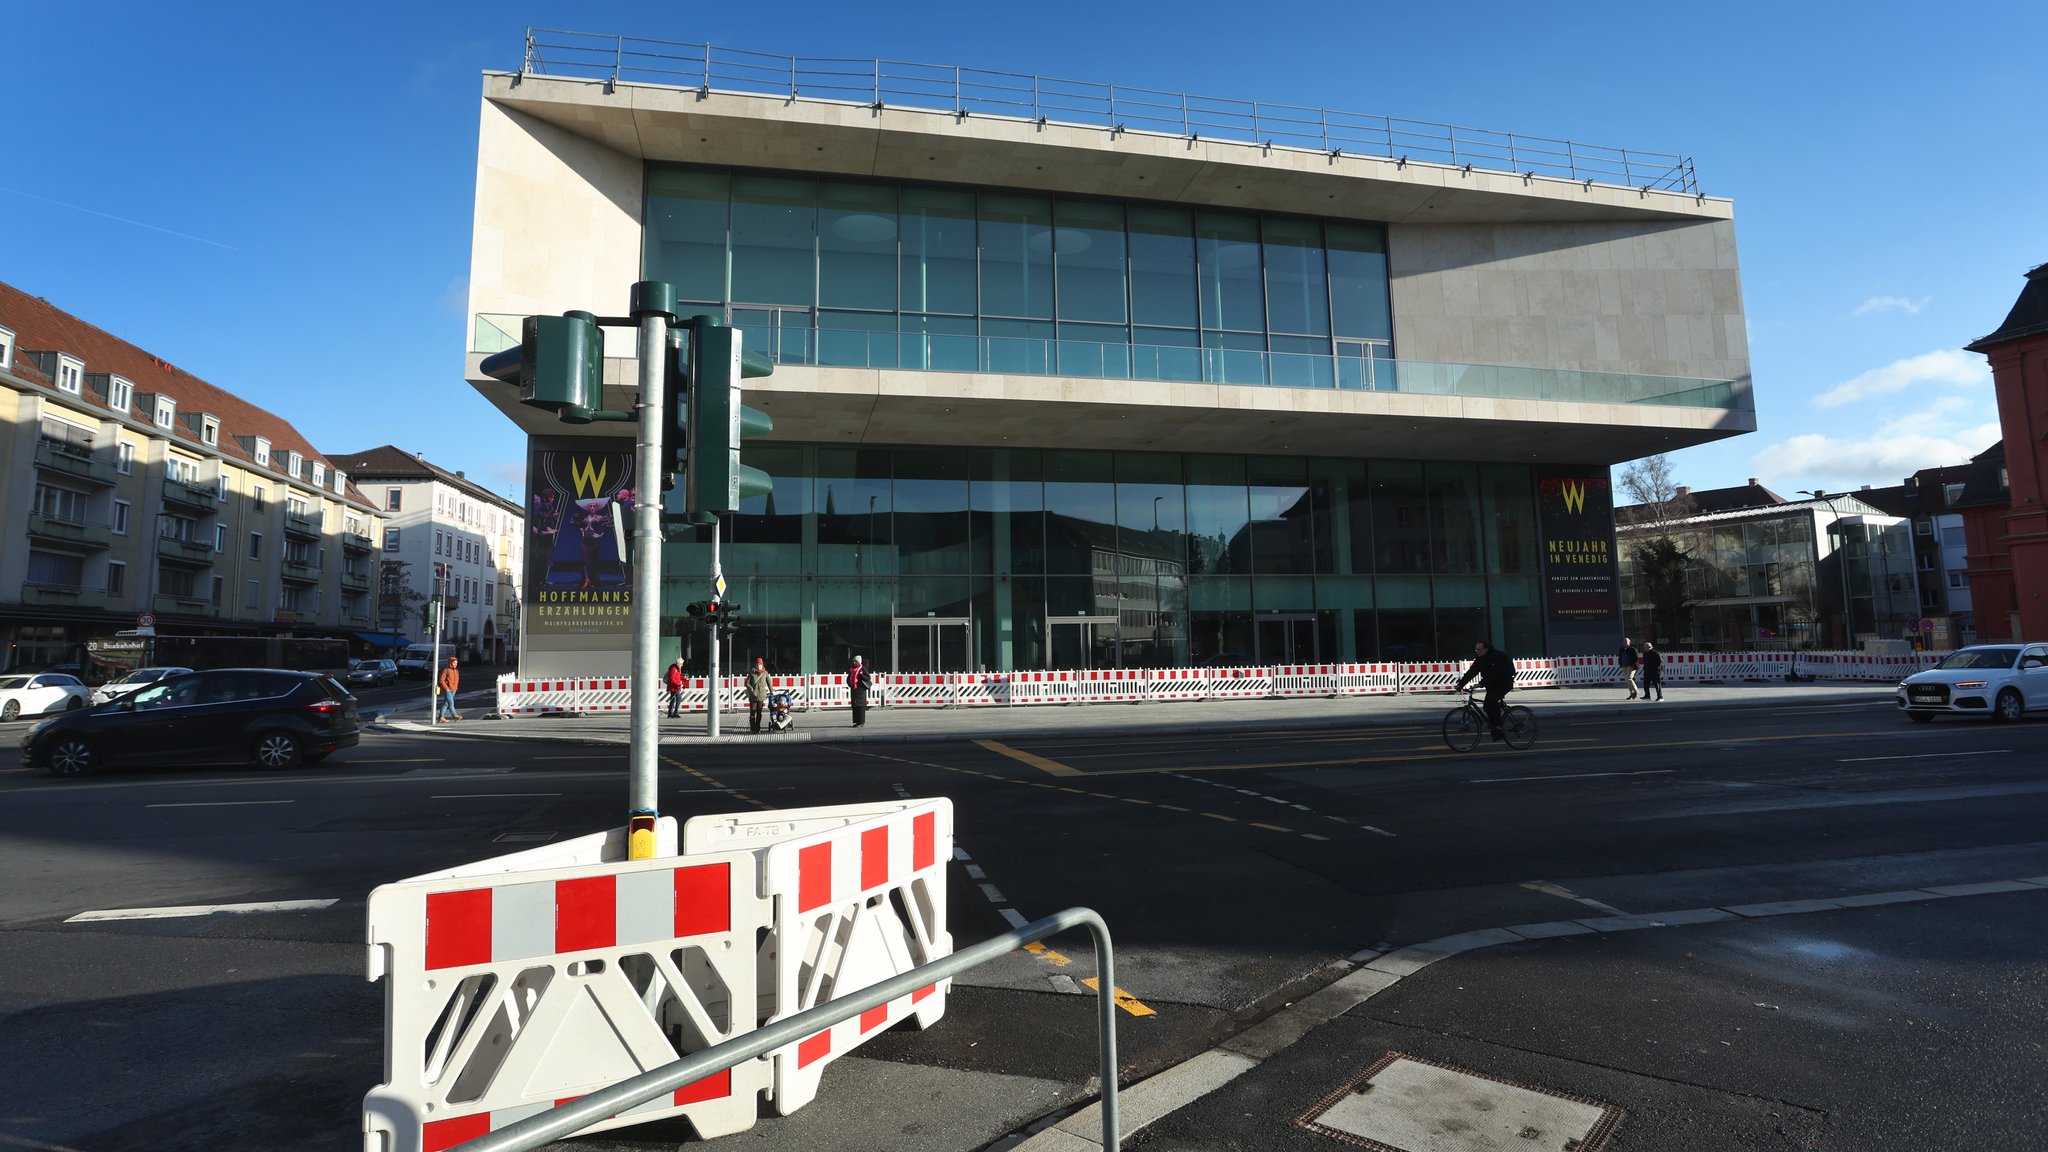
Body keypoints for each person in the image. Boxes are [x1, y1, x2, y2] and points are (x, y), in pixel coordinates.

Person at [1453, 639, 1516, 741]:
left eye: (1479, 649)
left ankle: (1499, 726)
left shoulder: (1496, 657)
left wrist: (1481, 683)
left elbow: (1495, 674)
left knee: (1490, 703)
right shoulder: (1480, 658)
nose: (1477, 651)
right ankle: (1495, 727)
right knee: (1488, 706)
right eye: (1476, 649)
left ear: (1486, 649)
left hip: (1504, 683)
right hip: (1492, 685)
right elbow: (1472, 672)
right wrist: (1460, 684)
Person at [746, 658, 770, 734]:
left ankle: (758, 728)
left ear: (762, 664)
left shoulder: (765, 673)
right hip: (753, 695)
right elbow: (747, 683)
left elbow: (769, 683)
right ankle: (752, 728)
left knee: (759, 712)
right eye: (758, 664)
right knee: (753, 712)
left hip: (761, 695)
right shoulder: (752, 672)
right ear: (755, 665)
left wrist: (772, 691)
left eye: (760, 664)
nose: (759, 666)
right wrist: (751, 688)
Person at [848, 655, 871, 727]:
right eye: (854, 661)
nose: (854, 663)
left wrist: (861, 675)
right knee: (855, 706)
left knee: (860, 706)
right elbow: (849, 678)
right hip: (854, 690)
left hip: (861, 690)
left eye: (856, 661)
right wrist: (850, 684)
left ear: (859, 662)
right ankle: (857, 721)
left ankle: (861, 722)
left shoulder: (862, 669)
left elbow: (868, 678)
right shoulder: (852, 669)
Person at [435, 657, 461, 723]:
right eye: (454, 663)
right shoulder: (445, 670)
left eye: (456, 663)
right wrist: (446, 689)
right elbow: (441, 680)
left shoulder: (456, 671)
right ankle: (454, 715)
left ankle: (441, 717)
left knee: (446, 704)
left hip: (454, 689)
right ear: (450, 662)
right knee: (451, 703)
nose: (455, 664)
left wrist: (455, 688)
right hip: (447, 690)